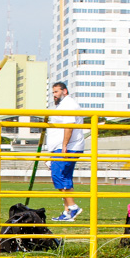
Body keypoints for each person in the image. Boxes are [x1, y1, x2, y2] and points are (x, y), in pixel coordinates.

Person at [47, 82, 85, 222]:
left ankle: (73, 207)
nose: (54, 95)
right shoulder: (63, 105)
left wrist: (64, 145)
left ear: (65, 91)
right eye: (53, 93)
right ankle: (67, 211)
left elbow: (69, 126)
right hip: (63, 147)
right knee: (65, 179)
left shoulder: (69, 104)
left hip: (66, 147)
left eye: (56, 92)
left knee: (59, 176)